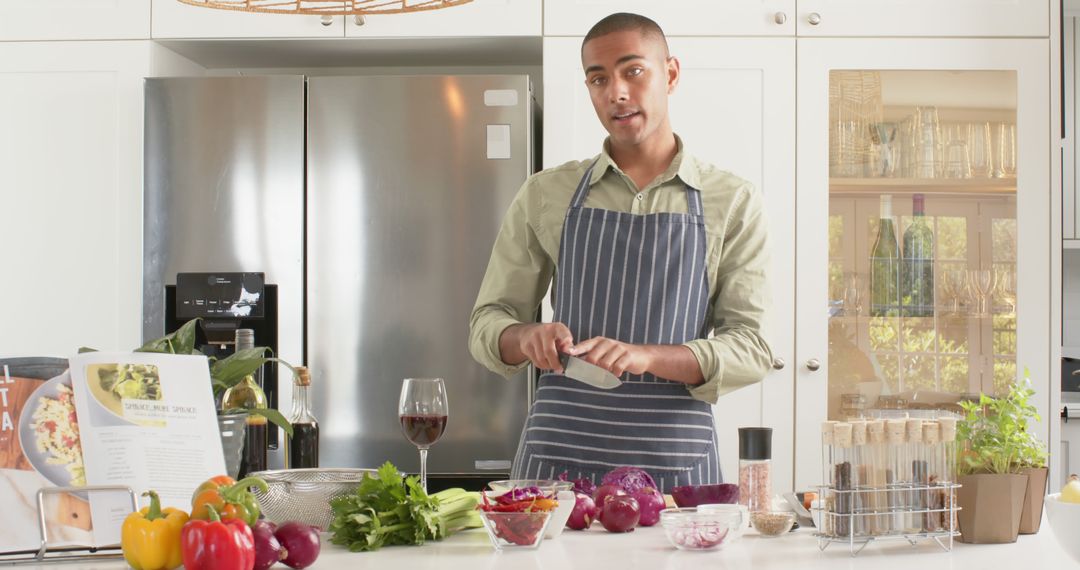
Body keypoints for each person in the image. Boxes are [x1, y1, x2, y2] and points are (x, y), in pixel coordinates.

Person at [468, 12, 772, 491]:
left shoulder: (732, 199)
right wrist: (525, 336)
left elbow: (751, 348)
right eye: (598, 78)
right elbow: (488, 321)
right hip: (556, 467)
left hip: (674, 466)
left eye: (633, 71)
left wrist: (646, 356)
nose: (617, 92)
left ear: (670, 74)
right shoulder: (546, 193)